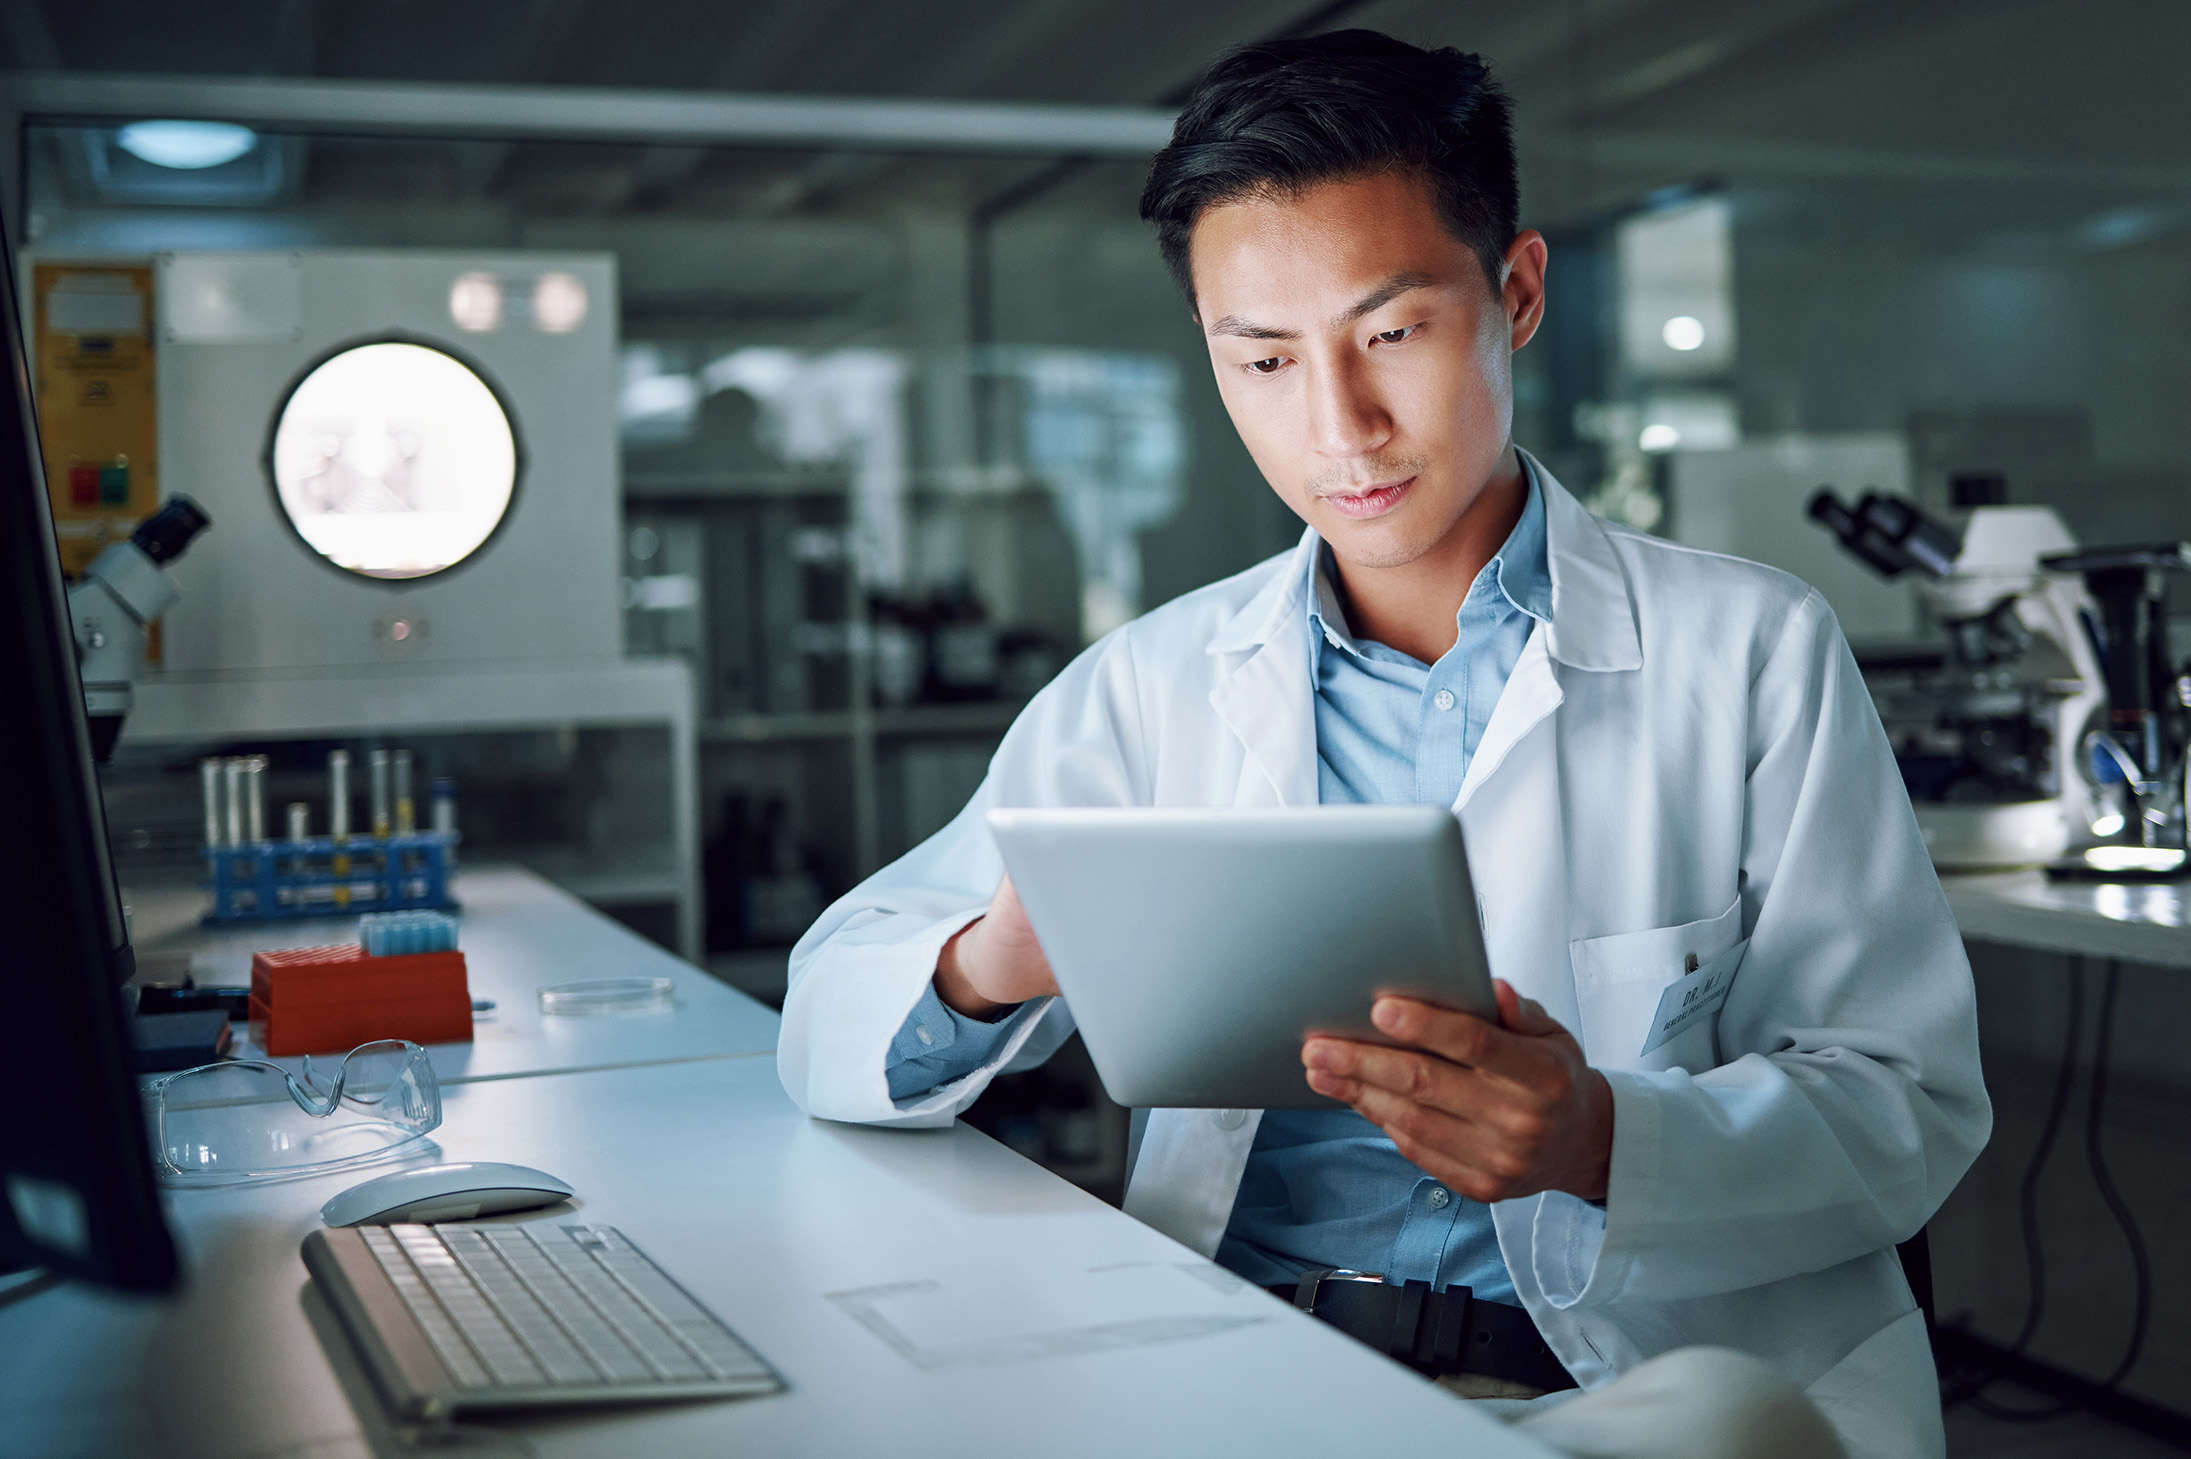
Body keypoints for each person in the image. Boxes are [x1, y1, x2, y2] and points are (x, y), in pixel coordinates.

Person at [778, 30, 1987, 1459]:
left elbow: (1905, 1100)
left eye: (1393, 333)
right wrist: (996, 963)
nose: (1337, 426)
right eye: (1266, 359)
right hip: (1248, 1376)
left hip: (1625, 1384)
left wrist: (1605, 1139)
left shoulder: (1751, 654)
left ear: (1516, 292)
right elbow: (827, 1019)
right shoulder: (1154, 688)